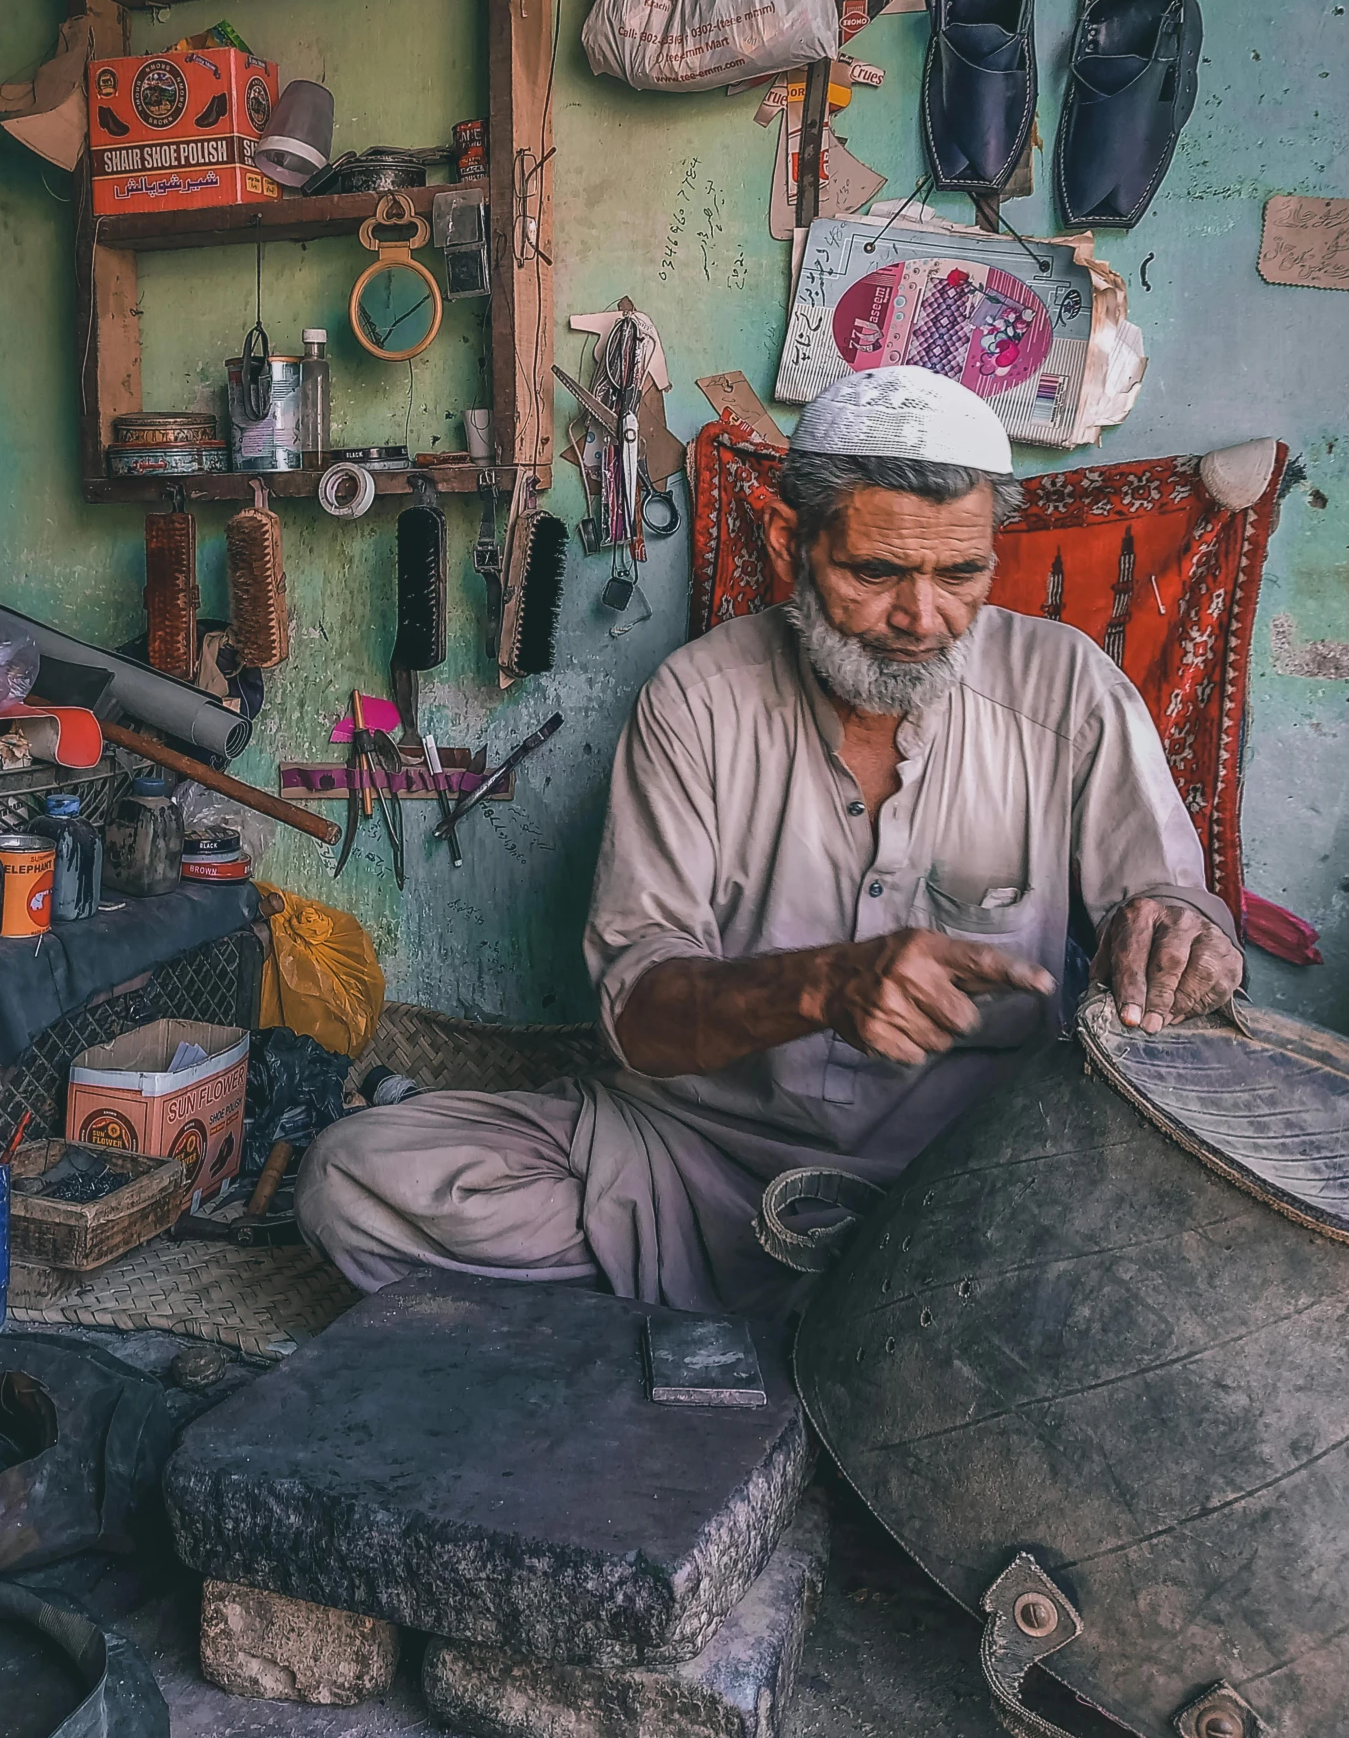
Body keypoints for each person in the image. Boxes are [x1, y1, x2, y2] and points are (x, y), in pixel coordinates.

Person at [297, 367, 1244, 1315]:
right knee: (357, 1177)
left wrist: (1177, 937)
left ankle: (752, 1334)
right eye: (876, 573)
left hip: (971, 1183)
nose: (923, 618)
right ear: (793, 543)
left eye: (960, 574)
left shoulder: (1065, 692)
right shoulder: (698, 701)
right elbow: (638, 1019)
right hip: (698, 1166)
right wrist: (823, 986)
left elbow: (1169, 906)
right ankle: (814, 1342)